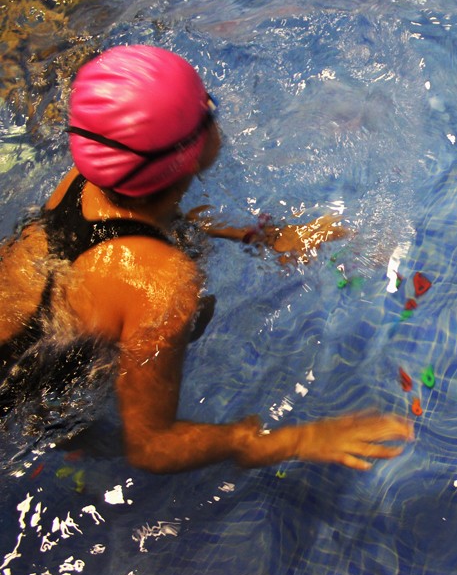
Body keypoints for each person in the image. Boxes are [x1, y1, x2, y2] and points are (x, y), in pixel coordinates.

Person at [0, 45, 414, 474]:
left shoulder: (84, 180)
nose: (216, 116)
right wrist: (297, 439)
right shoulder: (163, 283)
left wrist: (263, 236)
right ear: (192, 152)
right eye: (208, 108)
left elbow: (150, 222)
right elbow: (151, 446)